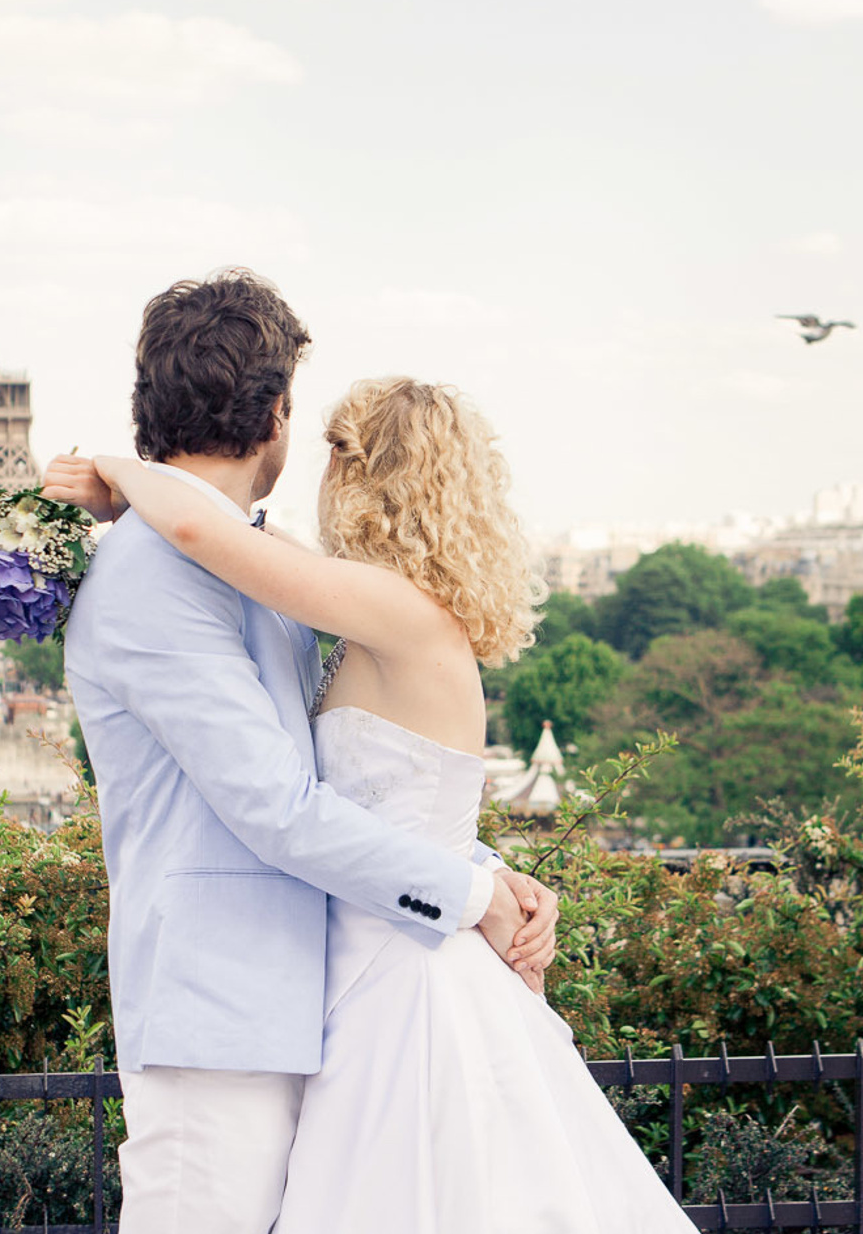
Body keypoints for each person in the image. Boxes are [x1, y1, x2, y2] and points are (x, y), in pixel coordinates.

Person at [51, 368, 699, 1231]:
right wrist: (484, 877)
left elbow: (193, 528)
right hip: (378, 959)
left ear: (364, 480)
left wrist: (121, 472)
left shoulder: (388, 608)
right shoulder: (399, 615)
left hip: (393, 969)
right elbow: (407, 804)